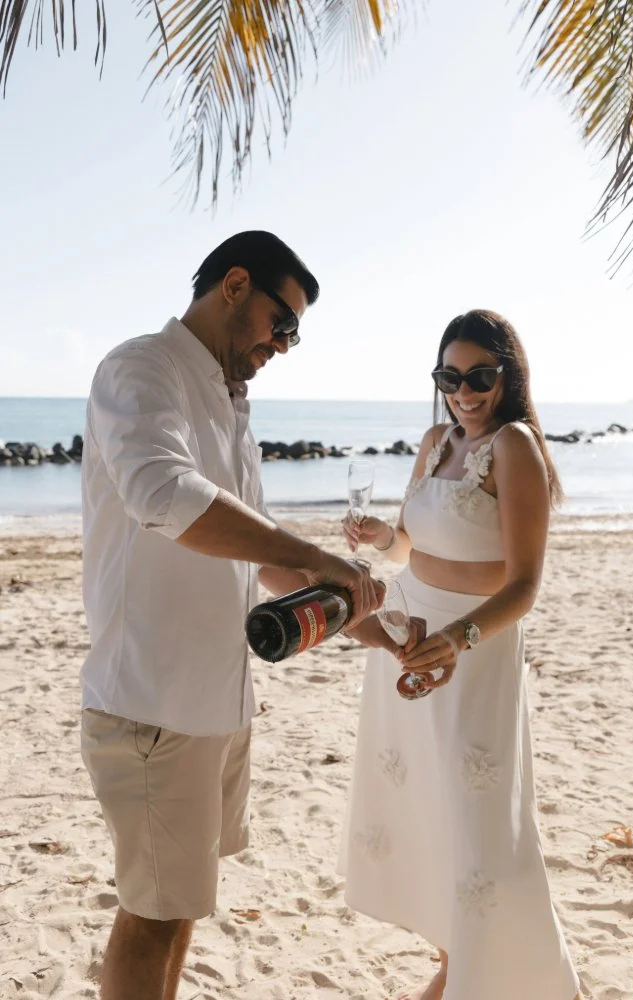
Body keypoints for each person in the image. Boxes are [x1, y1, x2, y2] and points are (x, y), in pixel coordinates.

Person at [79, 231, 391, 1000]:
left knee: (180, 908)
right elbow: (165, 496)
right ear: (234, 285)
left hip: (217, 702)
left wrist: (373, 627)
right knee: (149, 918)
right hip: (153, 704)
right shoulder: (140, 368)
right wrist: (322, 559)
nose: (283, 346)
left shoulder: (230, 401)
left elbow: (260, 558)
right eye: (281, 324)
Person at [339, 309, 580, 1000]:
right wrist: (383, 535)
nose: (464, 390)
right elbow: (413, 550)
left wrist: (462, 637)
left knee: (477, 828)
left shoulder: (514, 447)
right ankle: (454, 961)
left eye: (478, 375)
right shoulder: (433, 439)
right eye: (450, 375)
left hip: (475, 650)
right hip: (405, 636)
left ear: (506, 373)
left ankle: (478, 974)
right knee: (424, 808)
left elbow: (525, 584)